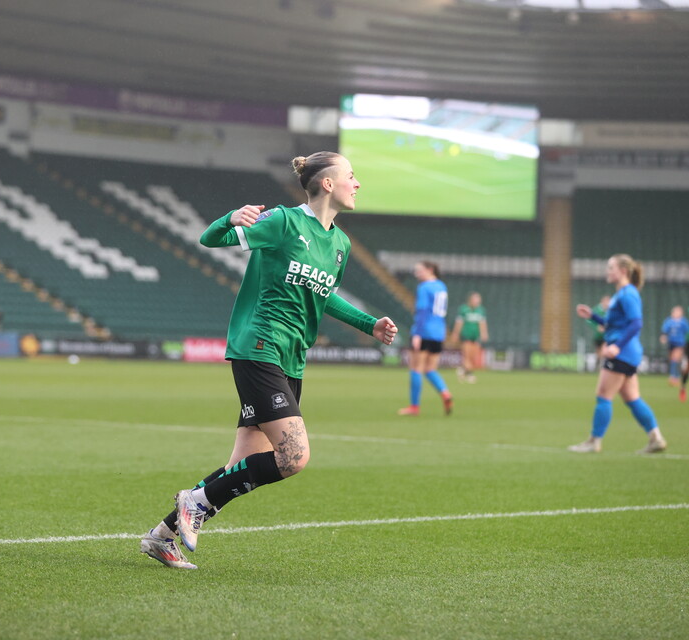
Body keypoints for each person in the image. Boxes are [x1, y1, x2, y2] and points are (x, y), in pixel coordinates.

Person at [140, 152, 399, 570]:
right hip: (259, 345)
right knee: (293, 456)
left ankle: (162, 537)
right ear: (328, 184)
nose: (358, 183)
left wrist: (369, 324)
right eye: (351, 176)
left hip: (291, 357)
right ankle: (193, 503)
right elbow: (211, 240)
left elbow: (324, 293)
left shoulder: (340, 243)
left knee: (236, 468)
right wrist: (229, 219)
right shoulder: (283, 221)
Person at [569, 254, 666, 455]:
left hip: (622, 353)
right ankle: (656, 437)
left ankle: (594, 441)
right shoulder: (621, 294)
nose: (608, 271)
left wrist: (617, 346)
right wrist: (593, 317)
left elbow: (636, 322)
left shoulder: (627, 294)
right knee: (632, 398)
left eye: (610, 267)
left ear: (623, 271)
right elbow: (614, 324)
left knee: (603, 395)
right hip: (629, 353)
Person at [398, 261, 453, 416]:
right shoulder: (441, 286)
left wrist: (417, 333)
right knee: (430, 368)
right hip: (439, 332)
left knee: (416, 368)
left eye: (419, 270)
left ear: (430, 270)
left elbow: (422, 311)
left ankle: (414, 407)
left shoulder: (424, 287)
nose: (416, 274)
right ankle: (445, 393)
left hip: (424, 331)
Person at [450, 292, 488, 383]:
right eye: (475, 299)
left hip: (475, 336)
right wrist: (455, 334)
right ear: (470, 300)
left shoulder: (481, 310)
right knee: (466, 355)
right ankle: (470, 374)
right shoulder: (464, 309)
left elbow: (482, 323)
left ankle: (462, 370)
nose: (477, 302)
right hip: (466, 335)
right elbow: (459, 323)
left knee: (473, 356)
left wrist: (484, 333)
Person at [659, 305, 689, 386]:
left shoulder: (683, 322)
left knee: (675, 359)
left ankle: (674, 377)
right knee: (673, 360)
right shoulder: (669, 321)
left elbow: (688, 332)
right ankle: (676, 376)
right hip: (671, 343)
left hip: (680, 343)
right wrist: (663, 337)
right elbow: (664, 331)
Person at [588, 294, 611, 364]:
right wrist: (597, 327)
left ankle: (603, 364)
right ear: (602, 302)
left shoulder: (611, 311)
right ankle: (598, 363)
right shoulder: (596, 310)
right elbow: (589, 320)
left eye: (608, 302)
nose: (607, 303)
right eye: (606, 301)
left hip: (608, 336)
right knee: (598, 352)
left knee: (604, 351)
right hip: (598, 336)